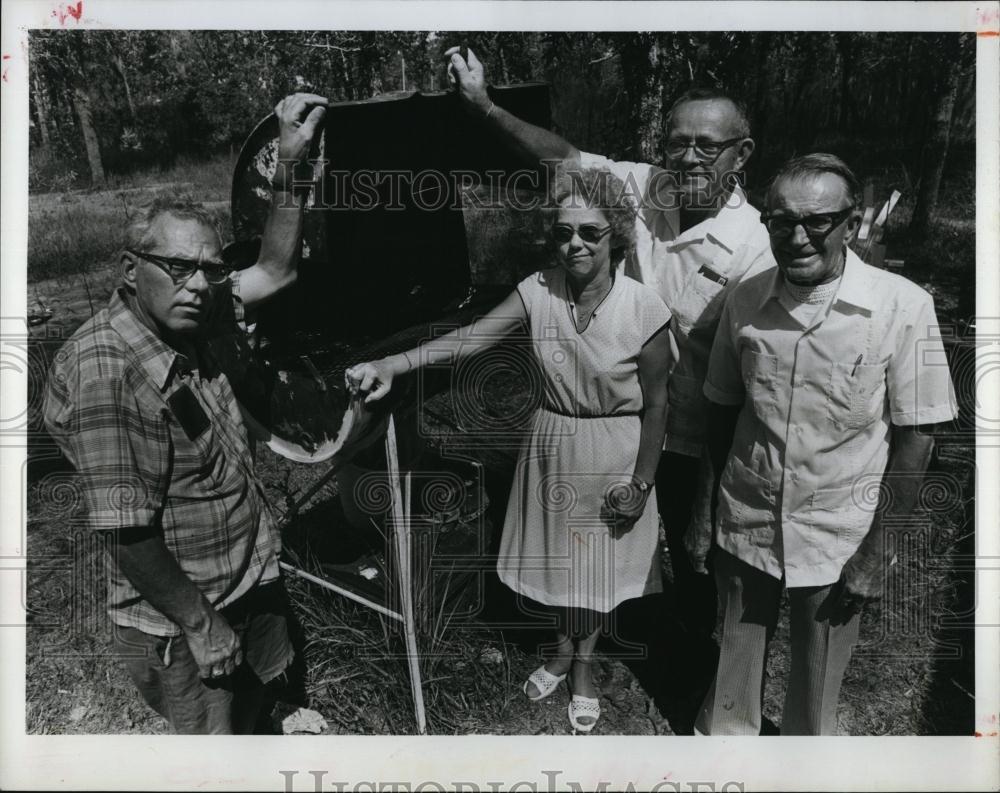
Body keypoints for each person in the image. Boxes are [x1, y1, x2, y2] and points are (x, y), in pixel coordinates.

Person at [445, 47, 773, 649]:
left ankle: (698, 654)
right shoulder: (645, 186)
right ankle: (598, 633)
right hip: (625, 418)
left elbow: (746, 380)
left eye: (708, 145)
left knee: (698, 543)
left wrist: (711, 480)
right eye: (678, 142)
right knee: (598, 528)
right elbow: (562, 157)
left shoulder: (755, 247)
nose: (689, 157)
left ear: (741, 154)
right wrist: (484, 106)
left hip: (699, 431)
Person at [346, 167, 673, 733]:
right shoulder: (537, 290)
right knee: (558, 561)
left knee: (593, 569)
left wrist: (642, 482)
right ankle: (559, 647)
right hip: (551, 440)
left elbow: (660, 405)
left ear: (615, 235)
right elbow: (471, 337)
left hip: (613, 446)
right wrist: (393, 364)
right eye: (564, 231)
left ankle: (583, 665)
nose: (575, 244)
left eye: (590, 232)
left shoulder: (643, 309)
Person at [42, 93, 328, 734]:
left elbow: (277, 269)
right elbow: (126, 532)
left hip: (242, 572)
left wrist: (289, 159)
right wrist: (202, 626)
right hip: (187, 615)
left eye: (209, 268)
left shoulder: (194, 314)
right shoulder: (109, 374)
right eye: (177, 268)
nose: (199, 284)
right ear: (128, 270)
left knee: (256, 710)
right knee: (213, 751)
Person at [695, 153, 958, 735]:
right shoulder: (744, 298)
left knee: (817, 686)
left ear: (851, 221)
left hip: (841, 528)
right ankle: (725, 752)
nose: (797, 236)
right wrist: (705, 510)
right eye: (781, 219)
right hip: (748, 515)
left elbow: (917, 438)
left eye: (818, 221)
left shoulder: (902, 306)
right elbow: (721, 407)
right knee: (734, 656)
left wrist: (876, 553)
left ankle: (803, 761)